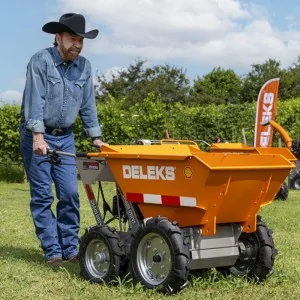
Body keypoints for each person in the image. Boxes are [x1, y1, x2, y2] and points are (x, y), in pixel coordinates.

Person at [19, 13, 106, 266]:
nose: (77, 45)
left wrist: (95, 137)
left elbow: (88, 103)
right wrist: (37, 135)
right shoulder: (41, 61)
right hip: (38, 135)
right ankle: (52, 251)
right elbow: (35, 99)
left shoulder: (85, 66)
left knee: (69, 194)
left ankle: (70, 249)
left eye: (81, 40)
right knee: (43, 196)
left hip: (65, 138)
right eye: (72, 39)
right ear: (58, 38)